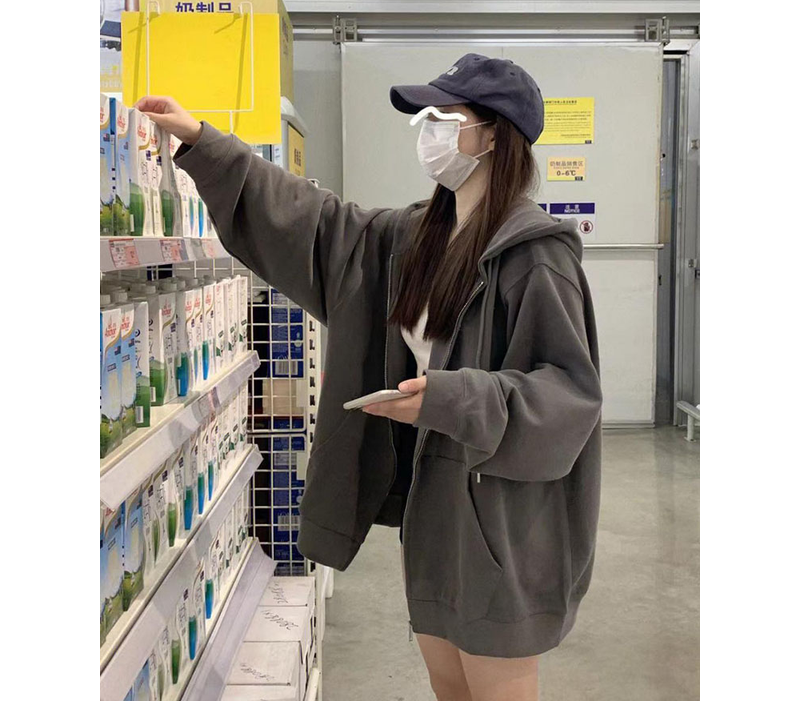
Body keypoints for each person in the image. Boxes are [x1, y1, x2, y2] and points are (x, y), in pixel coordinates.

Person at [136, 52, 603, 701]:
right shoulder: (418, 236)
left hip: (502, 509)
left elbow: (568, 395)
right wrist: (204, 143)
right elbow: (319, 226)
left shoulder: (536, 258)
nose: (428, 133)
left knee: (494, 683)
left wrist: (451, 398)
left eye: (444, 119)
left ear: (495, 135)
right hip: (433, 498)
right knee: (448, 680)